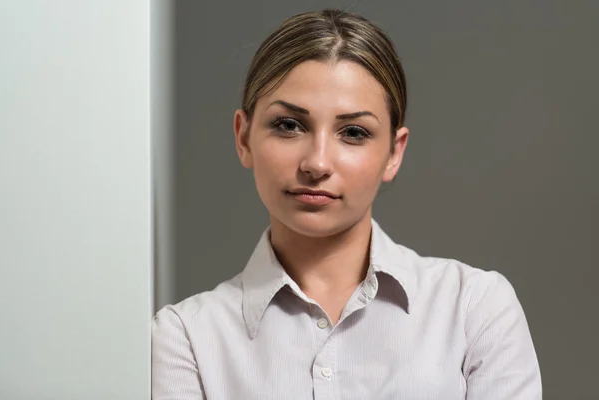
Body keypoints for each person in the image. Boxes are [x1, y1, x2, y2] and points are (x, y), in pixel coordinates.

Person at [152, 8, 542, 399]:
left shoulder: (473, 310)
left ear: (394, 152)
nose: (317, 163)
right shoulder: (185, 338)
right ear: (243, 137)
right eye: (289, 125)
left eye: (353, 132)